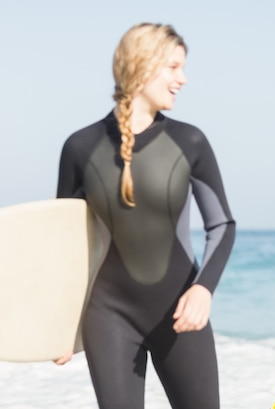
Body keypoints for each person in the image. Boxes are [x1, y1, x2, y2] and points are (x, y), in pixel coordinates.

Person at [55, 23, 236, 409]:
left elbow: (221, 225)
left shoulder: (190, 142)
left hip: (180, 311)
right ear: (143, 64)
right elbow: (65, 245)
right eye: (173, 67)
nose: (182, 79)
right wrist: (58, 324)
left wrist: (204, 289)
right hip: (108, 316)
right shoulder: (80, 147)